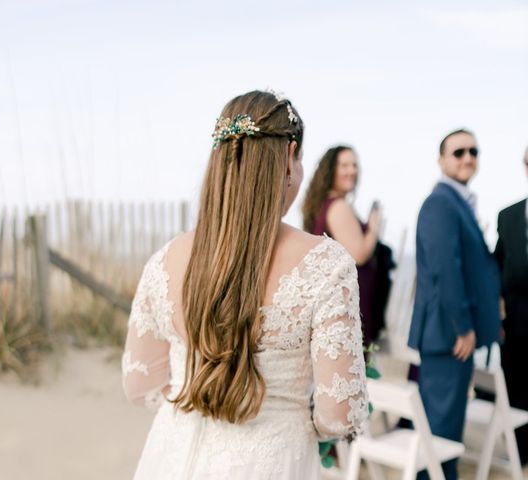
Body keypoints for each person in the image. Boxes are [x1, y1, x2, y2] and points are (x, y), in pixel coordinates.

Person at [122, 90, 368, 479]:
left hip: (171, 458)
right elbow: (339, 415)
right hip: (272, 463)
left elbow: (140, 384)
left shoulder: (166, 260)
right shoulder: (326, 264)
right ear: (289, 157)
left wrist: (198, 406)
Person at [408, 128, 501, 480]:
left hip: (451, 337)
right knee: (439, 436)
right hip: (449, 336)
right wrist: (463, 327)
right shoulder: (440, 203)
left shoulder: (457, 201)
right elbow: (446, 270)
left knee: (445, 433)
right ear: (441, 159)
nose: (467, 158)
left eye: (473, 151)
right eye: (459, 151)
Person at [302, 146, 384, 345]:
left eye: (355, 165)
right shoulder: (338, 206)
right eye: (344, 165)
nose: (352, 171)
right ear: (330, 170)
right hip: (348, 303)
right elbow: (359, 254)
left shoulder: (323, 205)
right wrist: (374, 226)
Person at [494, 145, 528, 465]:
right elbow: (497, 263)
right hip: (515, 328)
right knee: (515, 392)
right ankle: (519, 456)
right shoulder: (508, 215)